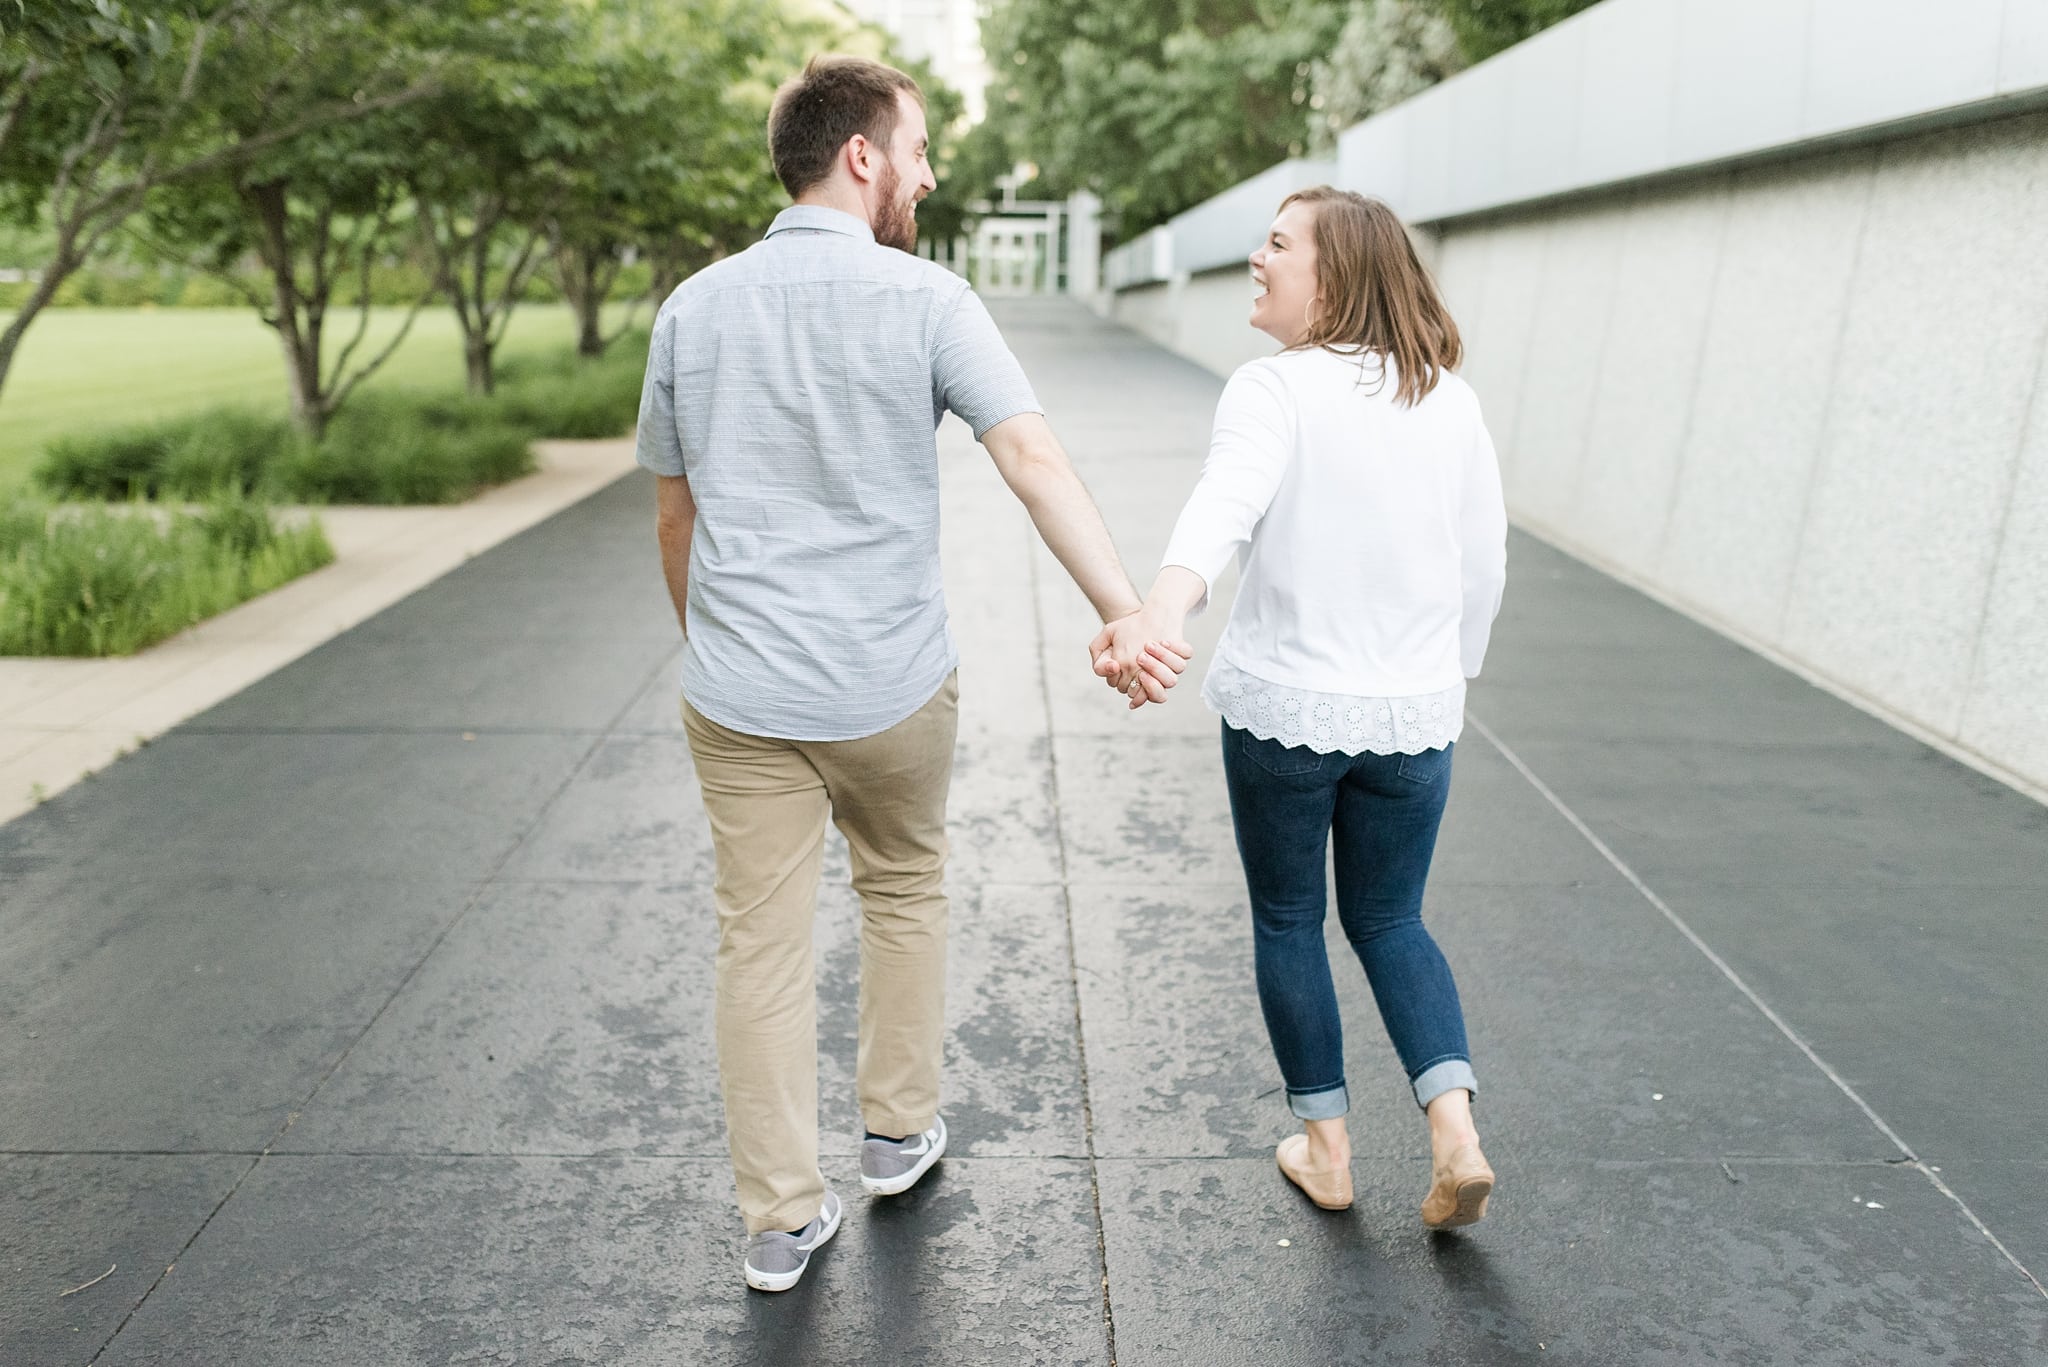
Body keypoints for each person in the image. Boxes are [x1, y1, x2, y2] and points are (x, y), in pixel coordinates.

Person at [635, 55, 1186, 1294]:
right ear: (862, 157)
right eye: (920, 150)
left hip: (741, 697)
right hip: (889, 684)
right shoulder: (928, 299)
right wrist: (1124, 610)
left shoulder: (692, 308)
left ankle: (778, 1219)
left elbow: (677, 517)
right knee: (903, 886)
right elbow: (1030, 454)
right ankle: (895, 1134)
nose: (931, 174)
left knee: (758, 948)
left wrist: (711, 640)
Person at [1097, 187, 1508, 1229]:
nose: (1256, 257)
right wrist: (1448, 672)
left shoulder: (1273, 389)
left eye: (1277, 243)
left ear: (1335, 274)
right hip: (1412, 718)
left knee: (1290, 918)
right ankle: (1452, 1130)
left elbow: (1219, 509)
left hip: (1286, 707)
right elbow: (1483, 562)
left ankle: (1326, 1148)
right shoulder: (1446, 399)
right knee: (1390, 917)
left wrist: (1159, 613)